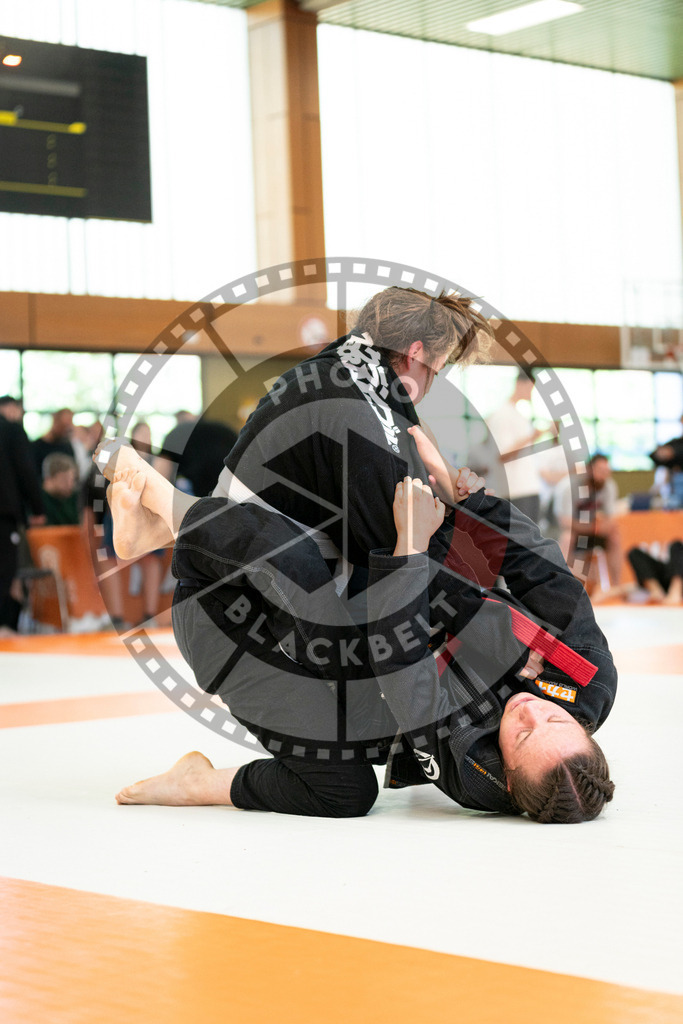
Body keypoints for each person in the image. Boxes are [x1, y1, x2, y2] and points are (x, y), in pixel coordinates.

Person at [98, 439, 616, 824]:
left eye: (523, 735)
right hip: (324, 633)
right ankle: (163, 529)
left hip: (231, 632)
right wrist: (479, 503)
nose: (529, 711)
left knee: (345, 791)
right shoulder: (586, 682)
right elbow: (547, 575)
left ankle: (164, 503)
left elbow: (400, 663)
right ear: (585, 728)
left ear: (505, 774)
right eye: (555, 718)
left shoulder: (472, 765)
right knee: (331, 575)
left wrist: (412, 548)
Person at [485, 371, 551, 524]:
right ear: (521, 384)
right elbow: (503, 455)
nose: (531, 393)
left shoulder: (517, 414)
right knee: (520, 544)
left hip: (528, 487)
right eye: (531, 388)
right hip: (517, 490)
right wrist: (532, 436)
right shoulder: (502, 415)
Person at [0, 411, 45, 632]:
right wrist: (37, 507)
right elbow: (25, 469)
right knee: (6, 571)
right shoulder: (11, 430)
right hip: (4, 513)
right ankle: (6, 626)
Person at [555, 453, 622, 590]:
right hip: (566, 531)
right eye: (600, 471)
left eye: (607, 472)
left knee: (615, 535)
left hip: (591, 530)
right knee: (567, 537)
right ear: (589, 470)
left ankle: (616, 587)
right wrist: (593, 528)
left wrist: (602, 527)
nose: (604, 476)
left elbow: (611, 518)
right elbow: (565, 522)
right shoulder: (568, 486)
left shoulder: (608, 486)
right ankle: (563, 587)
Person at [156, 411, 238, 497]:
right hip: (236, 495)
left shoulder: (176, 433)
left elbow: (159, 475)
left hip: (205, 498)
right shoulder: (224, 429)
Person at [627, 541, 683, 605]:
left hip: (678, 581)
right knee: (634, 552)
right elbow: (632, 587)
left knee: (677, 546)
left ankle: (675, 591)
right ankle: (655, 591)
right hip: (658, 581)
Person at [32, 408, 76, 477]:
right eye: (63, 426)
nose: (66, 431)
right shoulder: (36, 447)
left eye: (68, 427)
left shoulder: (67, 447)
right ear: (55, 422)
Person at [40, 453, 80, 526]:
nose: (70, 485)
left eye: (72, 480)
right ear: (48, 479)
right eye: (64, 480)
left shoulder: (74, 498)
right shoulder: (38, 501)